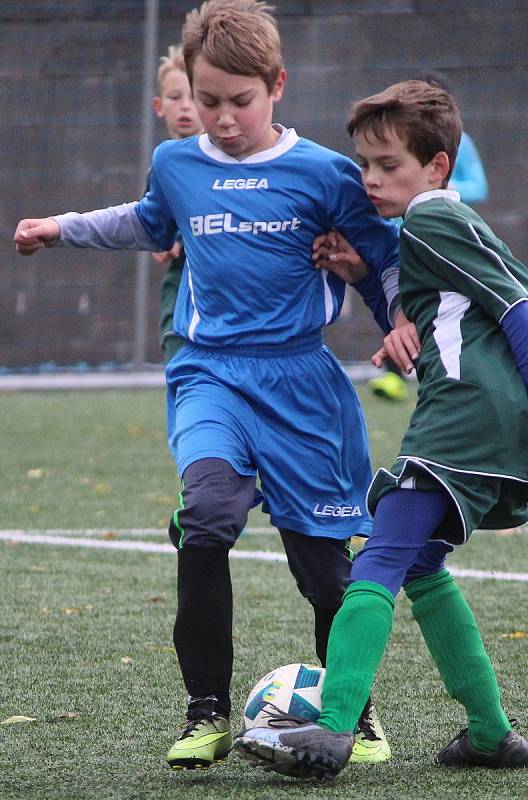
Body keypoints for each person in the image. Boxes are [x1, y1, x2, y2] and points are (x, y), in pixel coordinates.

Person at [13, 0, 421, 772]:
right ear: (189, 94)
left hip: (303, 385)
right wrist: (60, 227)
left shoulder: (326, 175)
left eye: (241, 101)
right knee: (206, 514)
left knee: (323, 567)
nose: (224, 119)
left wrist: (398, 319)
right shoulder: (178, 163)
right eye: (208, 102)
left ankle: (353, 715)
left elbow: (383, 257)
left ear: (277, 87)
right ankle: (205, 711)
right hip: (211, 374)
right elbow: (148, 221)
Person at [233, 79, 528, 779]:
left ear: (437, 167)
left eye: (387, 165)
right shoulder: (433, 227)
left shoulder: (432, 219)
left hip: (464, 424)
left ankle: (331, 729)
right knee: (420, 563)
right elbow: (450, 312)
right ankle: (490, 735)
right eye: (363, 164)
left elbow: (516, 310)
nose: (370, 179)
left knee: (377, 561)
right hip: (480, 423)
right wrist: (371, 278)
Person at [369, 69, 488, 402]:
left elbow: (479, 186)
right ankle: (394, 371)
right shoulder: (394, 143)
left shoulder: (461, 144)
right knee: (400, 296)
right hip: (402, 237)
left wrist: (431, 188)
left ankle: (443, 370)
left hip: (439, 238)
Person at [152, 44, 203, 362]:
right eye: (175, 97)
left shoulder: (221, 157)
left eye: (193, 97)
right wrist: (158, 239)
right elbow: (151, 220)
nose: (185, 107)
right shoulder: (160, 164)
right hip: (179, 280)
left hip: (218, 281)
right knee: (177, 355)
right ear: (159, 106)